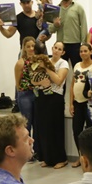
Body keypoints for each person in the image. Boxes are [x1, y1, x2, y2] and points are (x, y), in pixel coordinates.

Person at [32, 41, 69, 169]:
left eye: (59, 49)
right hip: (41, 96)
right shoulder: (44, 59)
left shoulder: (63, 63)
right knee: (43, 128)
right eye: (55, 48)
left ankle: (61, 159)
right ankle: (47, 158)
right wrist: (39, 82)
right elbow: (33, 78)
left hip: (55, 97)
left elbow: (58, 80)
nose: (56, 50)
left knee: (55, 128)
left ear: (63, 52)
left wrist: (46, 68)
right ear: (52, 48)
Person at [48, 0, 88, 67]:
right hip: (60, 46)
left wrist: (84, 44)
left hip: (75, 45)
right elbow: (50, 29)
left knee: (77, 70)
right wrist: (55, 25)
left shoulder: (78, 8)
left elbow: (84, 26)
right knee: (60, 70)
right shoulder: (55, 9)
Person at [69, 43, 92, 165]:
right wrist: (71, 103)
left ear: (91, 52)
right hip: (77, 102)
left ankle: (90, 158)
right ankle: (81, 157)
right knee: (76, 130)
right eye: (81, 51)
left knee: (90, 132)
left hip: (89, 103)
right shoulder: (76, 65)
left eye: (85, 51)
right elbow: (72, 84)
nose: (83, 53)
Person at [14, 37, 40, 160]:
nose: (31, 49)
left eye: (32, 46)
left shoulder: (38, 61)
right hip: (25, 94)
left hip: (37, 94)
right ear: (24, 48)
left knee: (37, 123)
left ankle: (37, 151)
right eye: (28, 46)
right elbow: (17, 83)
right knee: (27, 124)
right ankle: (26, 152)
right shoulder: (20, 63)